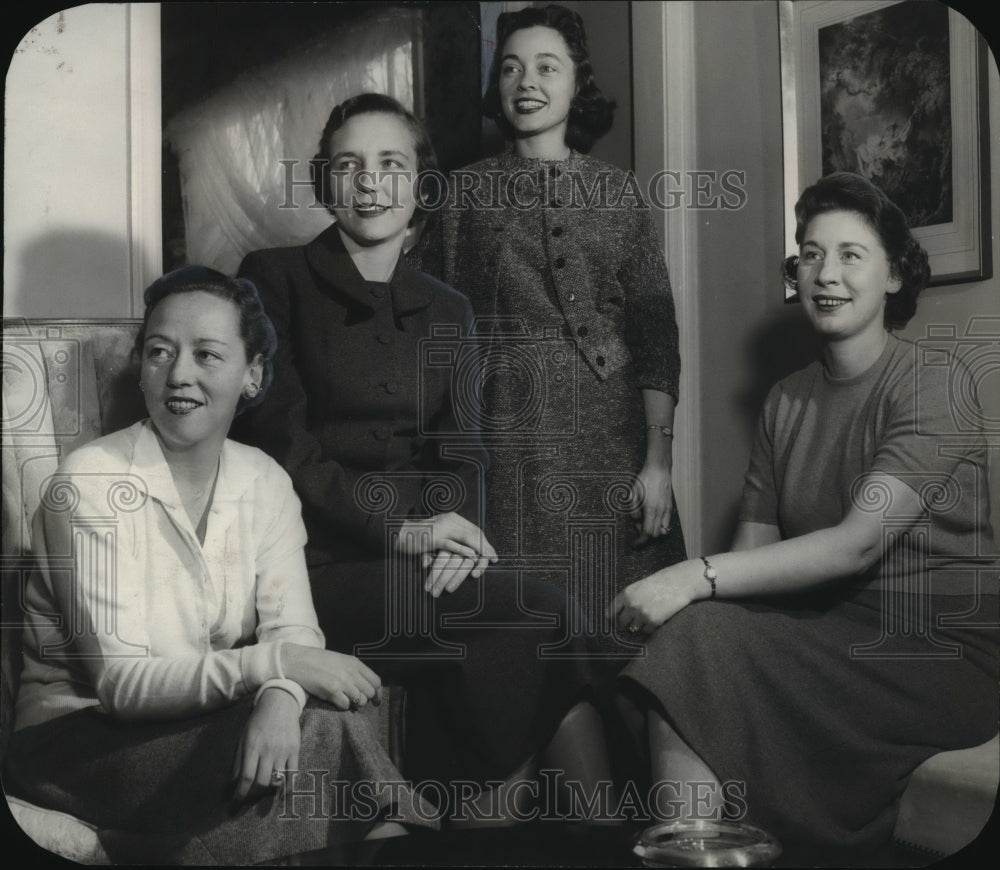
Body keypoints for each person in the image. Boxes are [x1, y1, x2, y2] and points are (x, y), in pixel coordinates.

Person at [232, 92, 613, 821]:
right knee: (544, 618)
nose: (370, 182)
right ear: (324, 183)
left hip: (422, 560)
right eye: (348, 166)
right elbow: (281, 445)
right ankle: (588, 839)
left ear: (421, 185)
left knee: (514, 639)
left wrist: (453, 540)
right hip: (314, 573)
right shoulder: (271, 278)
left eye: (390, 164)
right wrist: (405, 533)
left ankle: (500, 835)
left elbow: (464, 450)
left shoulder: (447, 307)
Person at [611, 172, 999, 849]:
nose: (826, 273)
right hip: (833, 635)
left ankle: (691, 850)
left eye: (852, 255)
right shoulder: (786, 399)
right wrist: (695, 596)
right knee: (688, 635)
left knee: (696, 634)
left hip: (942, 658)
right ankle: (698, 848)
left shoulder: (937, 382)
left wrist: (688, 579)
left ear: (895, 278)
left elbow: (854, 545)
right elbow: (752, 556)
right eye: (811, 254)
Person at [3, 267, 436, 865]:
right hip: (77, 742)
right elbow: (122, 688)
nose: (179, 374)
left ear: (252, 374)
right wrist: (280, 667)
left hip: (198, 723)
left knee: (332, 721)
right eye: (159, 352)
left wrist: (280, 695)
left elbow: (293, 628)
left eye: (208, 354)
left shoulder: (264, 479)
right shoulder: (88, 485)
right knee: (328, 743)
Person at [410, 4, 686, 654]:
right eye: (510, 68)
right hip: (513, 445)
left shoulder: (618, 194)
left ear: (575, 84)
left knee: (630, 638)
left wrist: (659, 462)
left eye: (545, 66)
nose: (525, 81)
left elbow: (656, 342)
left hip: (614, 444)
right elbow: (429, 334)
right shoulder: (462, 196)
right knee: (533, 640)